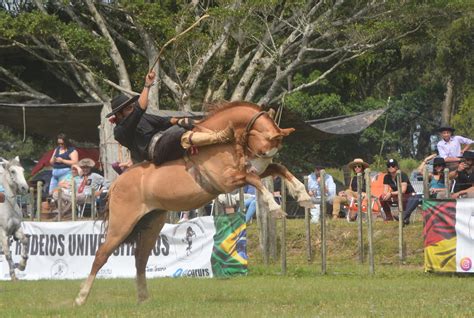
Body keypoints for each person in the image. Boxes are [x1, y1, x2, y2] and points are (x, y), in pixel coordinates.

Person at [106, 71, 234, 167]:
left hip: (164, 142)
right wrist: (147, 85)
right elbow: (141, 108)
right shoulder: (120, 131)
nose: (132, 109)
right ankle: (220, 137)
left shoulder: (143, 118)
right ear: (119, 115)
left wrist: (189, 121)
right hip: (154, 152)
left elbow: (165, 121)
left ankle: (218, 135)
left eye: (132, 106)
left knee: (182, 123)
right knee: (177, 132)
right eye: (129, 108)